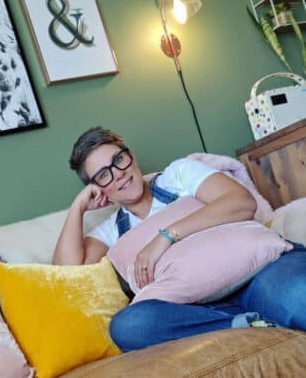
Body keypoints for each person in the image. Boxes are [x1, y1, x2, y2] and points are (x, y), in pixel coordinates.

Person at [52, 126, 306, 351]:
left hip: (261, 272)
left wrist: (165, 237)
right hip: (201, 309)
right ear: (97, 187)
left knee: (300, 297)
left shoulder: (178, 175)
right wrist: (78, 208)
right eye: (103, 175)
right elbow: (66, 273)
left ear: (131, 156)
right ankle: (243, 322)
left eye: (118, 159)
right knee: (129, 326)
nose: (118, 173)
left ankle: (255, 317)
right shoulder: (112, 231)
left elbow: (241, 203)